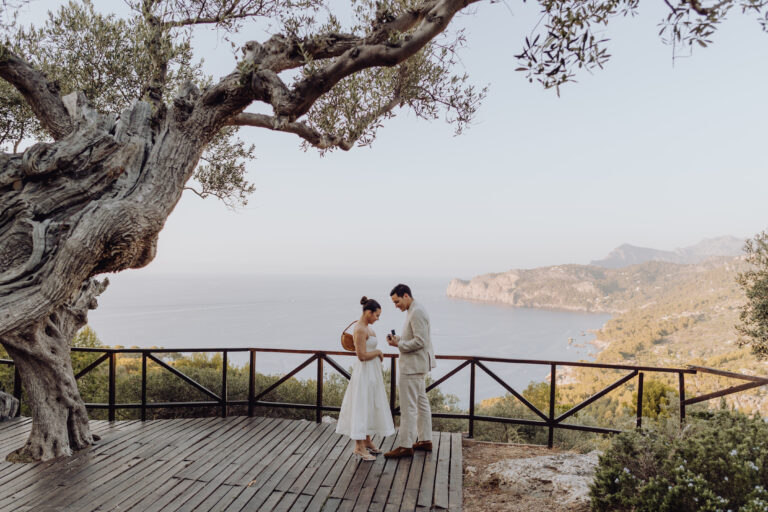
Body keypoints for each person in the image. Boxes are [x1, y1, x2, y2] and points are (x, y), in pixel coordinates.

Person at [335, 297, 396, 461]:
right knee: (361, 406)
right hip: (364, 373)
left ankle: (367, 440)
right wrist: (378, 352)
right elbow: (361, 355)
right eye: (377, 315)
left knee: (369, 404)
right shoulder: (360, 329)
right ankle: (358, 446)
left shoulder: (368, 328)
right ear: (368, 312)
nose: (378, 318)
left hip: (372, 373)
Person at [384, 284, 436, 458]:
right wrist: (398, 339)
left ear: (406, 295)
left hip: (412, 368)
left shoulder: (416, 312)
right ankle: (425, 440)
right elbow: (414, 338)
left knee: (408, 408)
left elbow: (420, 341)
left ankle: (406, 445)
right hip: (417, 366)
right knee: (421, 404)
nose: (396, 305)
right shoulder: (414, 310)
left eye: (397, 301)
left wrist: (398, 344)